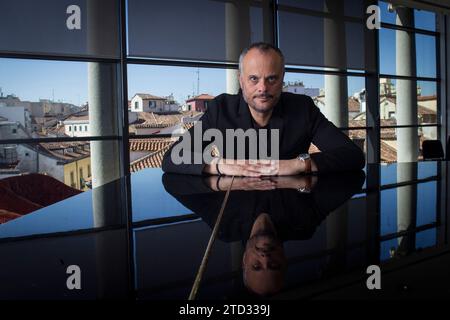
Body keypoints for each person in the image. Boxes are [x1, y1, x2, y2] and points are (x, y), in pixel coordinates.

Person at [162, 42, 365, 176]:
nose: (263, 88)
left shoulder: (302, 108)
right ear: (241, 81)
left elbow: (352, 155)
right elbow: (172, 158)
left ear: (282, 79)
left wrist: (297, 164)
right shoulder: (221, 109)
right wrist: (220, 165)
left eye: (271, 79)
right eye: (253, 79)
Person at [162, 170, 365, 296]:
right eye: (274, 265)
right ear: (285, 260)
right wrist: (296, 165)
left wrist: (218, 167)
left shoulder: (226, 227)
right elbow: (353, 179)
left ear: (244, 261)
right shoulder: (303, 225)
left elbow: (174, 185)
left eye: (257, 266)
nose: (266, 258)